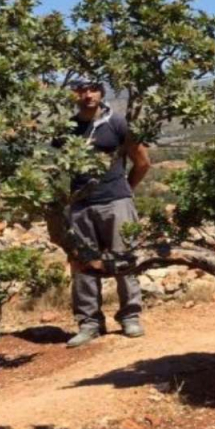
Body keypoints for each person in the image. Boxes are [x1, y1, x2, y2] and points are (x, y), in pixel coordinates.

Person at [63, 80, 152, 348]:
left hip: (115, 202)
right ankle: (89, 323)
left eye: (93, 89)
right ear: (73, 93)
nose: (87, 95)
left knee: (124, 259)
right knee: (82, 263)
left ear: (102, 92)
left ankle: (130, 317)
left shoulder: (117, 123)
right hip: (79, 204)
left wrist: (124, 191)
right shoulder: (67, 128)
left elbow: (143, 162)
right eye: (81, 89)